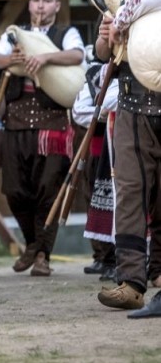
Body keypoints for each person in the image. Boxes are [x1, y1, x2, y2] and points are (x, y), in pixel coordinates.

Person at [0, 0, 85, 277]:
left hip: (52, 125)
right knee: (15, 191)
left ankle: (43, 254)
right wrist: (12, 60)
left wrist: (44, 57)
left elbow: (77, 55)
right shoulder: (14, 34)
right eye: (36, 0)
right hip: (16, 125)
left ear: (57, 4)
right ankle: (32, 243)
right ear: (29, 4)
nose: (40, 5)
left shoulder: (65, 33)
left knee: (48, 189)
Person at [94, 0, 161, 316]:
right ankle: (131, 281)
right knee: (132, 194)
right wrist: (108, 36)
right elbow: (104, 54)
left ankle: (159, 276)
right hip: (134, 106)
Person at [71, 54, 118, 282]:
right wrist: (107, 113)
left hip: (128, 147)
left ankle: (128, 260)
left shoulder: (135, 65)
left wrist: (104, 110)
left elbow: (112, 102)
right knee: (98, 200)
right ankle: (106, 257)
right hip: (100, 150)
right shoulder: (94, 71)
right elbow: (79, 111)